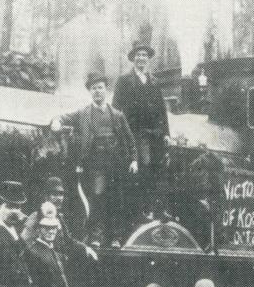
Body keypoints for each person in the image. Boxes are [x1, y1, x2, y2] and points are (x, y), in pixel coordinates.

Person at [54, 66, 138, 245]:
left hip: (115, 162)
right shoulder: (83, 114)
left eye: (100, 87)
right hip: (95, 163)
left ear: (106, 90)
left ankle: (115, 237)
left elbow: (129, 139)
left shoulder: (117, 114)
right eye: (93, 88)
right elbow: (63, 118)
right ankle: (96, 236)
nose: (97, 91)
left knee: (115, 198)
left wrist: (134, 160)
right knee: (97, 197)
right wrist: (56, 121)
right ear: (90, 92)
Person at [112, 45, 168, 173]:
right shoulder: (123, 80)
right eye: (138, 55)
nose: (141, 58)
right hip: (133, 132)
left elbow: (162, 110)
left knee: (154, 167)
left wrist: (166, 133)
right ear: (133, 58)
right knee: (135, 167)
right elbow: (115, 108)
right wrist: (118, 131)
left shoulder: (154, 81)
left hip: (154, 134)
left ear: (148, 59)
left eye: (144, 55)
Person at [22, 176, 98, 261]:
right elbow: (26, 243)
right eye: (54, 194)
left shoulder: (59, 218)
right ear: (46, 196)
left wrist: (85, 248)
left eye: (61, 194)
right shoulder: (36, 216)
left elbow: (68, 241)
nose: (59, 198)